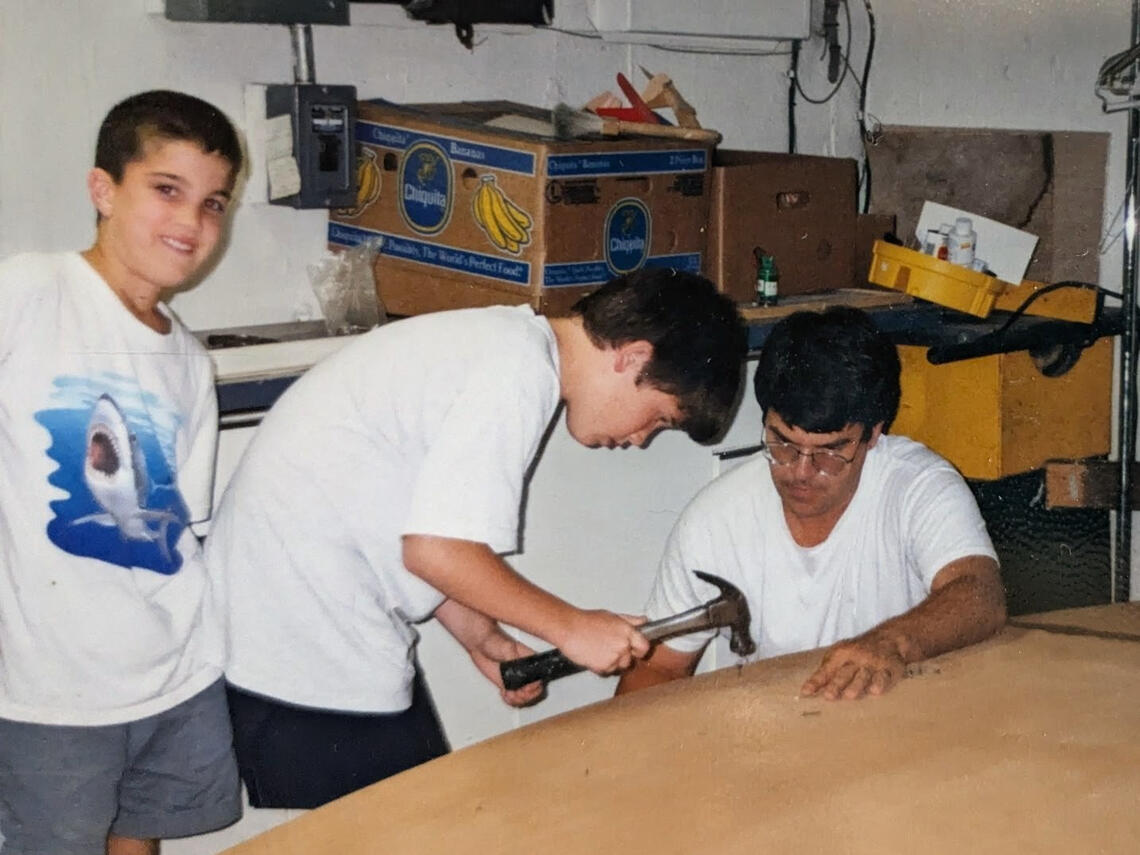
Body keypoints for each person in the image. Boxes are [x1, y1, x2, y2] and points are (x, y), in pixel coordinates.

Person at [205, 268, 747, 809]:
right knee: (418, 827)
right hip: (303, 642)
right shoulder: (516, 370)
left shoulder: (501, 346)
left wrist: (481, 637)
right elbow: (436, 550)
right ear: (632, 357)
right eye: (657, 418)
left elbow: (416, 530)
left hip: (296, 627)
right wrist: (573, 627)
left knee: (423, 821)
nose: (640, 440)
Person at [0, 90, 244, 854]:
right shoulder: (29, 291)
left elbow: (182, 532)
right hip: (51, 691)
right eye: (166, 190)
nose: (191, 223)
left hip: (178, 673)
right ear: (103, 189)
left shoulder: (189, 361)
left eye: (213, 204)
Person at [615, 306, 1006, 701]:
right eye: (782, 442)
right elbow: (660, 667)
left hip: (901, 728)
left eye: (829, 452)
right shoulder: (715, 519)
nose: (801, 472)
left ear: (873, 435)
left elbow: (980, 594)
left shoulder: (919, 487)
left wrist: (891, 643)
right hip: (780, 734)